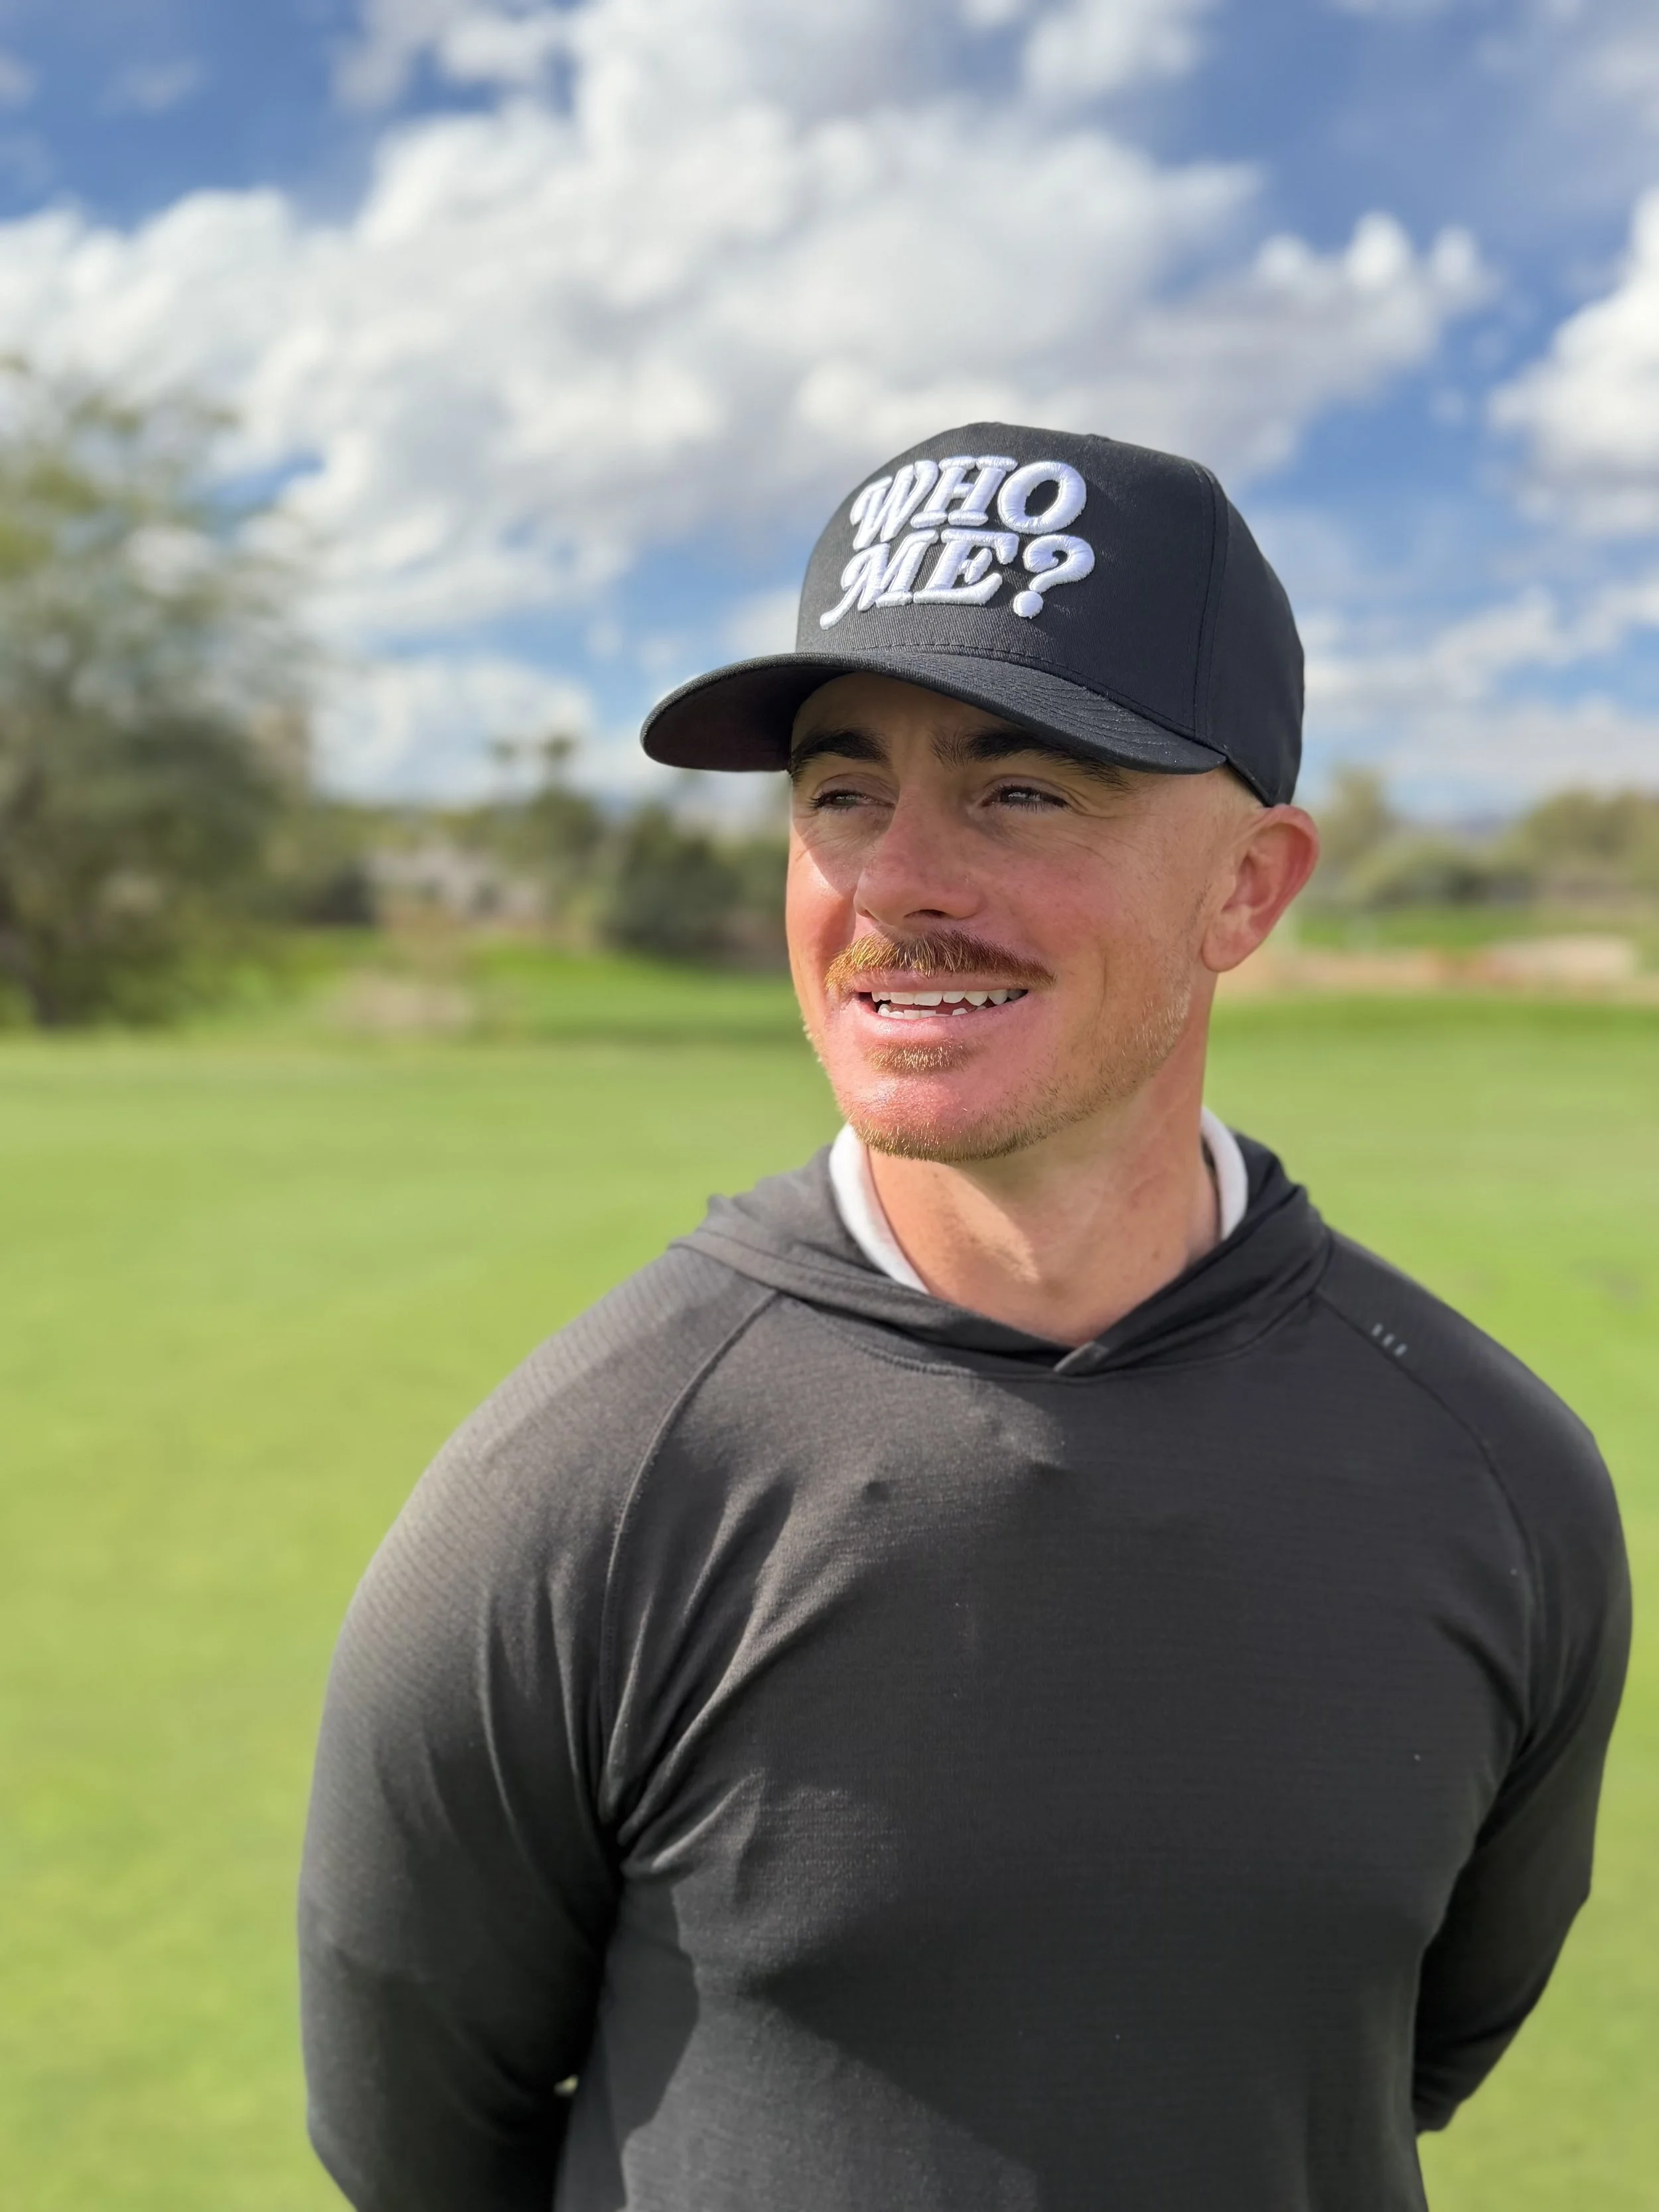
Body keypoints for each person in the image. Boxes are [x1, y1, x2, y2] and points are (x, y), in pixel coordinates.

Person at [299, 425, 1630, 2212]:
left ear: (1249, 885)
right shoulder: (580, 1485)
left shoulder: (1492, 1473)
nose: (893, 878)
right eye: (842, 791)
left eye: (1020, 789)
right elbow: (414, 2130)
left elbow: (1410, 2041)